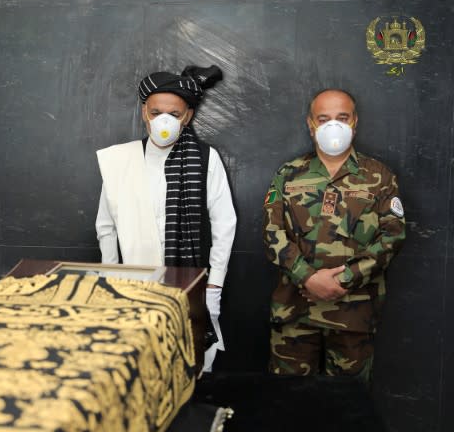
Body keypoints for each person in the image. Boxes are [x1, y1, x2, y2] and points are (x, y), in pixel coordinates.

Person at [95, 65, 237, 372]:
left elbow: (225, 224)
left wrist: (214, 287)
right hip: (134, 287)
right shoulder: (121, 160)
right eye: (156, 111)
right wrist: (111, 278)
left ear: (187, 116)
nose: (164, 120)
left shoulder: (204, 158)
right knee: (139, 368)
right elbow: (105, 226)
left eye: (173, 114)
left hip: (188, 286)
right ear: (144, 112)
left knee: (188, 366)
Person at [263, 89, 406, 383]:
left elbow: (392, 238)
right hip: (295, 311)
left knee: (347, 409)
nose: (334, 126)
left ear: (354, 121)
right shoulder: (289, 174)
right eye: (324, 118)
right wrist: (308, 277)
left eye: (342, 117)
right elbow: (272, 232)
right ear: (310, 124)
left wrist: (343, 279)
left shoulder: (379, 176)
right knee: (286, 405)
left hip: (353, 314)